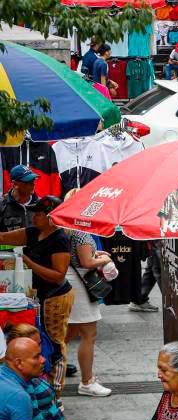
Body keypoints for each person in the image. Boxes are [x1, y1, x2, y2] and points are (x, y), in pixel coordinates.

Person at [0, 196, 75, 397]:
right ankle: (43, 385)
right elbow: (3, 238)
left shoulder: (60, 239)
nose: (34, 217)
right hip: (39, 296)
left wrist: (27, 261)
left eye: (39, 214)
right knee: (40, 340)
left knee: (55, 343)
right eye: (34, 213)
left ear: (51, 217)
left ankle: (56, 392)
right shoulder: (33, 233)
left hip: (56, 297)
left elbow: (58, 276)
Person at [65, 229, 113, 397]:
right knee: (89, 333)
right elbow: (86, 262)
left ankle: (51, 369)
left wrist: (95, 252)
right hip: (79, 285)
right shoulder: (80, 233)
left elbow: (77, 255)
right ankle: (87, 382)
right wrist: (104, 259)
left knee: (68, 333)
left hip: (70, 281)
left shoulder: (66, 231)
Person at [0, 164, 40, 232]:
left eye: (33, 180)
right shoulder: (1, 206)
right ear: (15, 184)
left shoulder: (41, 204)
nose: (33, 184)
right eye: (28, 181)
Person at [129, 240, 162, 312]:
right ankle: (171, 302)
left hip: (155, 234)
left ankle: (139, 299)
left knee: (154, 266)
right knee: (159, 268)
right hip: (158, 234)